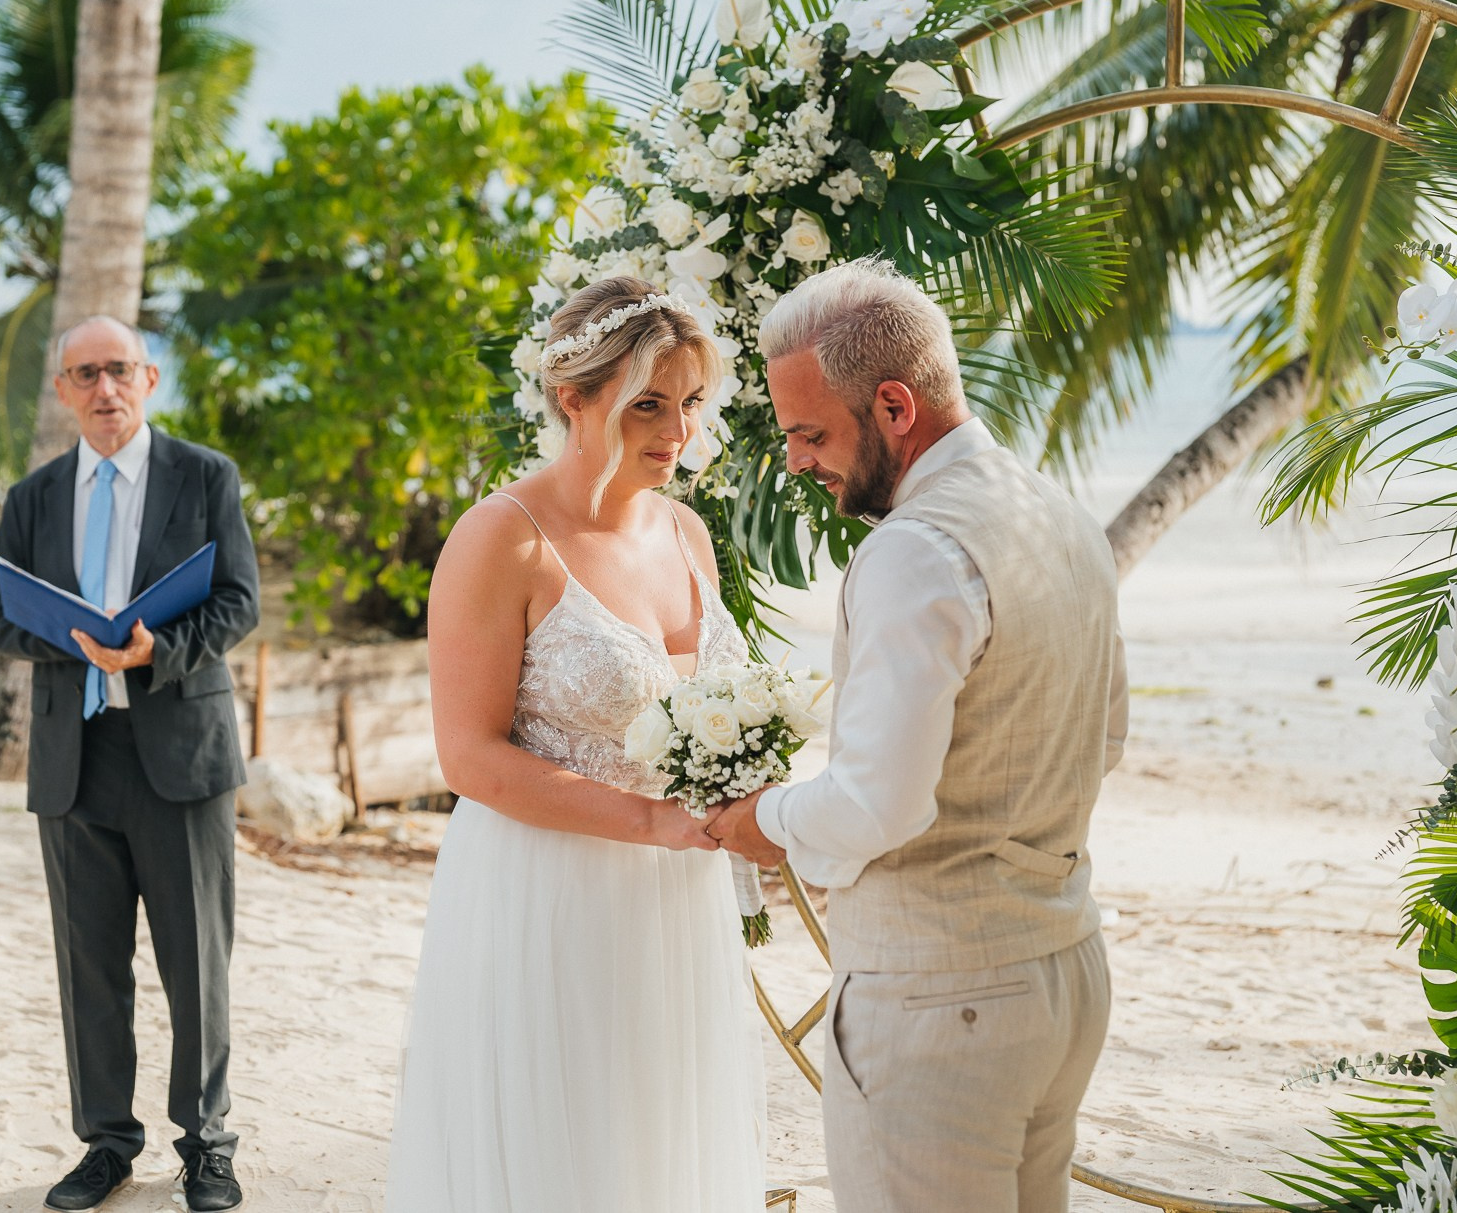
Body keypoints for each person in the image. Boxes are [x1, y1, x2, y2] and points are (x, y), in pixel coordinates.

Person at [709, 259, 1129, 1213]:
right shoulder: (1060, 515)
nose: (796, 462)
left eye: (810, 432)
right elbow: (1102, 740)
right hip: (1065, 975)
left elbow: (875, 805)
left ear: (894, 406)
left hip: (942, 1002)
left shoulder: (912, 551)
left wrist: (761, 819)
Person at [386, 276, 765, 1211]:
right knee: (560, 1148)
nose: (677, 430)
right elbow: (469, 757)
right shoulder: (500, 538)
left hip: (676, 895)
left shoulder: (687, 532)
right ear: (573, 399)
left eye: (689, 402)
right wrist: (651, 819)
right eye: (647, 405)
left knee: (660, 1141)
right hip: (545, 890)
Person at [0, 316, 260, 1213]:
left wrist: (153, 650)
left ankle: (207, 1145)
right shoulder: (33, 496)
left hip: (181, 753)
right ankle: (106, 1144)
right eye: (85, 373)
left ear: (149, 378)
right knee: (90, 965)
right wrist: (72, 638)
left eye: (119, 370)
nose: (104, 388)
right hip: (74, 757)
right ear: (63, 389)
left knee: (195, 961)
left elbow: (240, 600)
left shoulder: (204, 475)